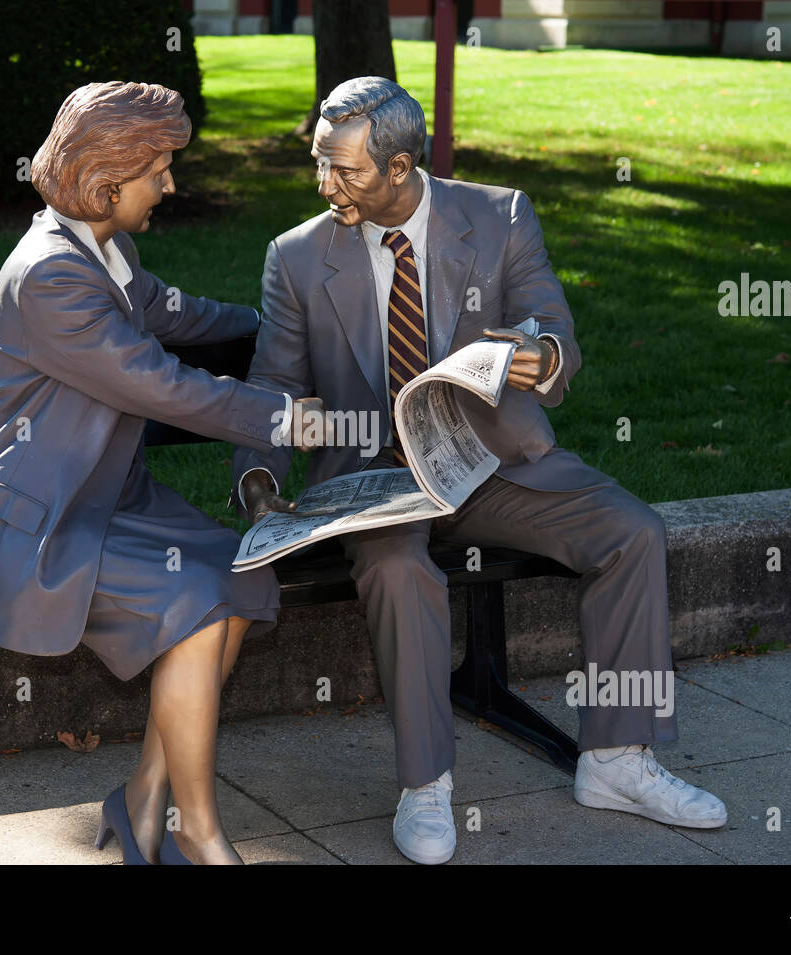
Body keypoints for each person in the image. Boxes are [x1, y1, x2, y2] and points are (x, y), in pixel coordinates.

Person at [232, 76, 727, 865]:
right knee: (399, 570)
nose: (325, 184)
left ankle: (616, 760)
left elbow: (556, 329)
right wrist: (259, 483)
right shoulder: (297, 255)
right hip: (377, 482)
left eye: (345, 170)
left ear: (400, 168)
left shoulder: (499, 217)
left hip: (491, 464)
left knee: (633, 532)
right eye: (319, 163)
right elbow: (272, 388)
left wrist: (546, 356)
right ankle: (425, 784)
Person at [0, 81, 323, 865]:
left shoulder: (103, 249)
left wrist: (278, 330)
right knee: (198, 604)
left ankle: (140, 803)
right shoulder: (50, 278)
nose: (170, 185)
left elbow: (176, 314)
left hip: (110, 499)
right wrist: (282, 416)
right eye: (159, 170)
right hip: (40, 521)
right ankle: (195, 834)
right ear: (107, 182)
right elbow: (155, 381)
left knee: (236, 575)